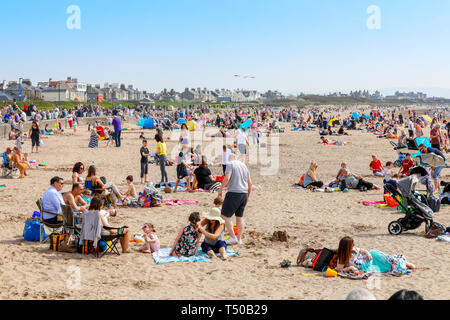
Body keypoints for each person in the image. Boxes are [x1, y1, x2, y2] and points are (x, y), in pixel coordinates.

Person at [335, 236, 416, 275]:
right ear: (347, 247)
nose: (353, 245)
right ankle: (404, 264)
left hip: (372, 256)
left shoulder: (354, 248)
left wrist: (368, 253)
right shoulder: (342, 257)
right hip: (365, 265)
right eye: (351, 244)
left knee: (388, 259)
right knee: (386, 266)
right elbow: (339, 269)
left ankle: (404, 263)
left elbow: (362, 250)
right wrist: (350, 268)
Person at [218, 154, 252, 245]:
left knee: (224, 216)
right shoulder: (244, 165)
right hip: (244, 193)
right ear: (236, 158)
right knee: (239, 217)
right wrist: (247, 196)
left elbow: (227, 177)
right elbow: (250, 184)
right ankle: (239, 239)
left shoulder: (230, 164)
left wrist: (220, 190)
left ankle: (233, 237)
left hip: (234, 193)